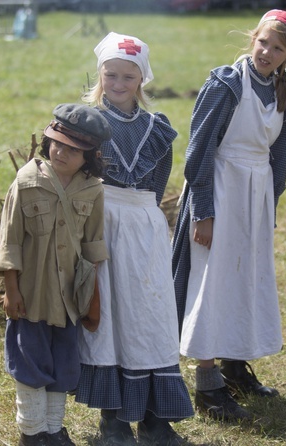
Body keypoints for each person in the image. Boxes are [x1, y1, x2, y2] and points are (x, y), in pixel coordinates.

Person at [172, 10, 286, 421]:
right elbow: (199, 152)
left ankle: (233, 366)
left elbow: (280, 158)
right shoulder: (226, 85)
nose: (267, 51)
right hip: (221, 188)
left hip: (255, 196)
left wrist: (269, 207)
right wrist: (204, 211)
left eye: (278, 47)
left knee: (244, 279)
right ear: (253, 39)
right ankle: (208, 384)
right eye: (263, 42)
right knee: (212, 282)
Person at [76, 32, 193, 446]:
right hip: (101, 222)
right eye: (111, 74)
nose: (119, 83)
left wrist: (140, 215)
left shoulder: (156, 128)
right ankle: (113, 421)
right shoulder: (85, 123)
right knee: (109, 317)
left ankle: (155, 418)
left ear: (141, 79)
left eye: (128, 75)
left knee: (150, 316)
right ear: (100, 74)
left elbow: (158, 186)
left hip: (143, 226)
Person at [0, 103, 111, 446]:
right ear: (47, 140)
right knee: (30, 362)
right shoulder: (26, 182)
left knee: (64, 365)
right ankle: (32, 433)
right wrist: (11, 290)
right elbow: (10, 241)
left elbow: (93, 246)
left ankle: (53, 430)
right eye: (57, 142)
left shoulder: (92, 190)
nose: (61, 152)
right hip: (31, 294)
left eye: (73, 150)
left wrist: (92, 298)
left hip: (69, 298)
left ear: (88, 156)